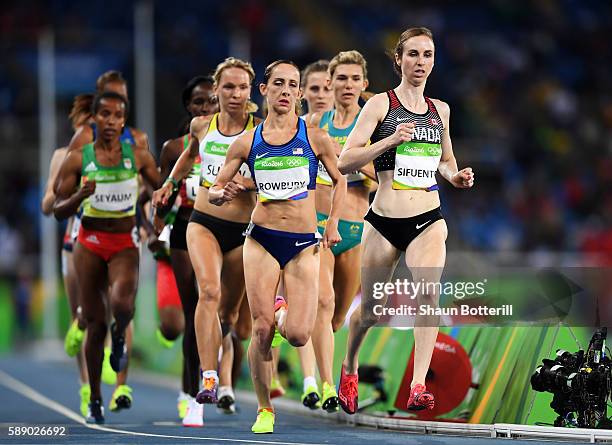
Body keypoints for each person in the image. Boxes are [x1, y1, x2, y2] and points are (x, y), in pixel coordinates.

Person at [336, 27, 474, 414]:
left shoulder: (439, 110)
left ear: (434, 60)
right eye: (412, 54)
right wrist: (390, 140)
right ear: (398, 59)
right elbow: (346, 160)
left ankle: (417, 385)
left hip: (428, 217)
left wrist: (455, 175)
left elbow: (445, 161)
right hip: (383, 220)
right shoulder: (381, 105)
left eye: (427, 54)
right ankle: (349, 368)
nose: (420, 62)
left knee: (428, 294)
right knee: (370, 312)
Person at [208, 60, 347, 434]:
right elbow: (217, 188)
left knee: (299, 334)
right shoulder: (247, 141)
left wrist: (331, 222)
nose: (286, 90)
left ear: (299, 94)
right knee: (261, 329)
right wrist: (222, 195)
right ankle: (265, 409)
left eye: (292, 85)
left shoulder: (314, 137)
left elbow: (339, 180)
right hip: (262, 240)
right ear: (264, 91)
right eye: (278, 84)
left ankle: (283, 309)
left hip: (304, 243)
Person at [152, 57, 260, 427]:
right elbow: (187, 159)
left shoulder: (261, 131)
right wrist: (168, 185)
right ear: (216, 90)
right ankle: (206, 379)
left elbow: (278, 180)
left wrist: (245, 183)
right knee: (207, 294)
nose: (235, 94)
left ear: (251, 91)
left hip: (242, 230)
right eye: (228, 87)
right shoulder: (202, 126)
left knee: (229, 318)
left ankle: (218, 364)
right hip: (203, 223)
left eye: (242, 87)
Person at [54, 92, 160, 424]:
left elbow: (162, 189)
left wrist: (156, 219)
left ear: (124, 121)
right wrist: (79, 197)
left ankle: (120, 337)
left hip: (124, 243)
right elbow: (58, 210)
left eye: (117, 116)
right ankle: (96, 399)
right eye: (105, 115)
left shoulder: (139, 157)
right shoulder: (77, 159)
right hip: (90, 243)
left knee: (123, 305)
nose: (111, 121)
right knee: (96, 322)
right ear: (94, 120)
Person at [147, 75, 218, 420]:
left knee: (229, 319)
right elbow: (164, 194)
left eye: (211, 102)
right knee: (194, 315)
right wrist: (155, 228)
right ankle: (193, 396)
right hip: (186, 230)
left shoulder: (242, 140)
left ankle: (226, 382)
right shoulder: (175, 149)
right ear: (188, 108)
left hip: (229, 230)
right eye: (198, 103)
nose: (205, 108)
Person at [308, 50, 375, 413]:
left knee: (337, 318)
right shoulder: (316, 122)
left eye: (354, 79)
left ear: (364, 85)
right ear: (329, 82)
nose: (347, 86)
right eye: (341, 79)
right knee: (322, 303)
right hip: (318, 226)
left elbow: (385, 182)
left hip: (355, 228)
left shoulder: (371, 125)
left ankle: (348, 367)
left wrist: (347, 158)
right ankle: (326, 384)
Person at [41, 146, 90, 417]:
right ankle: (86, 387)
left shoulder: (123, 150)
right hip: (74, 242)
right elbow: (47, 206)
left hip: (111, 243)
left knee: (104, 310)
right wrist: (67, 193)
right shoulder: (63, 156)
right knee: (80, 316)